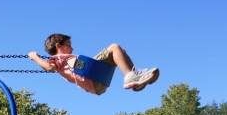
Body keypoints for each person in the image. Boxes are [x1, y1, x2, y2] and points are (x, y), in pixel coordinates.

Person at [28, 34, 159, 95]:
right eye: (68, 46)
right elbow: (49, 68)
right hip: (93, 78)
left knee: (119, 53)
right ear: (58, 46)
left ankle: (135, 79)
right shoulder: (57, 58)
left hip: (98, 83)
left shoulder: (64, 59)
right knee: (114, 47)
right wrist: (35, 57)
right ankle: (130, 76)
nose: (72, 49)